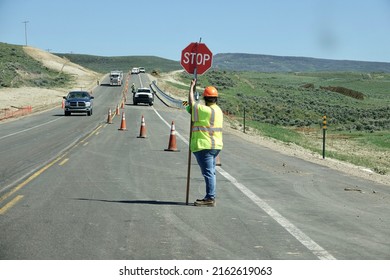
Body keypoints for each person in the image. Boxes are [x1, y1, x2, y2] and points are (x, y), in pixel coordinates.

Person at [188, 79, 223, 207]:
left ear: (205, 98)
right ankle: (210, 196)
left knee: (208, 173)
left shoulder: (204, 111)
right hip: (215, 146)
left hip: (204, 146)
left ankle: (210, 198)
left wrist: (191, 88)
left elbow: (191, 105)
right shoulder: (218, 110)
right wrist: (186, 103)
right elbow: (189, 107)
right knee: (211, 172)